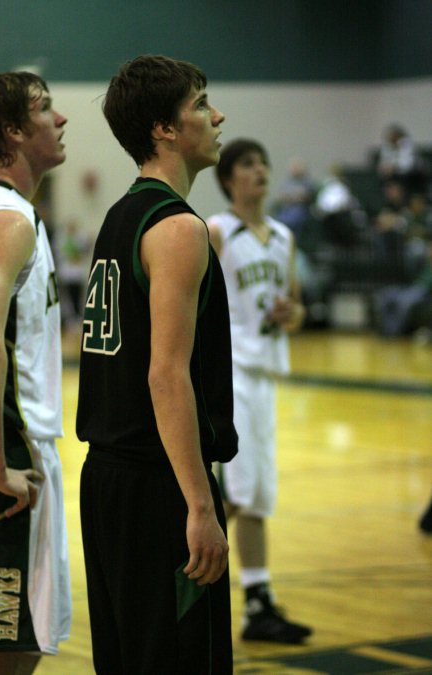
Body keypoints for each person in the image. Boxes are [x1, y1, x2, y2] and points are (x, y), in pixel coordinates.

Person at [76, 55, 238, 675]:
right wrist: (199, 505)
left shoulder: (121, 217)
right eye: (200, 103)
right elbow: (165, 375)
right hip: (159, 485)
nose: (216, 115)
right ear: (163, 129)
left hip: (109, 482)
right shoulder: (177, 228)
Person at [0, 72, 71, 674]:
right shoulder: (6, 218)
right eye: (45, 109)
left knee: (26, 641)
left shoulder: (9, 214)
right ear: (13, 130)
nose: (60, 119)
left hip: (19, 445)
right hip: (9, 452)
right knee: (8, 650)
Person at [207, 138, 313, 644]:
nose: (261, 171)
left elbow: (297, 308)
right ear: (228, 178)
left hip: (266, 374)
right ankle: (178, 575)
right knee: (239, 491)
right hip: (230, 375)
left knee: (256, 497)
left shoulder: (283, 238)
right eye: (249, 164)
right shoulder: (216, 231)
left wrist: (290, 314)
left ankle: (256, 602)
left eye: (264, 162)